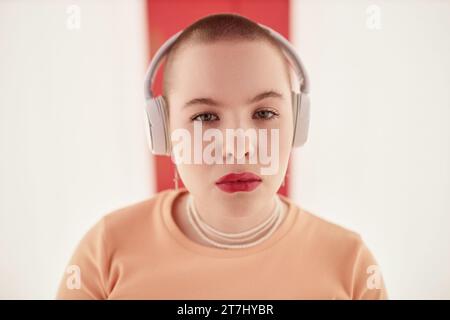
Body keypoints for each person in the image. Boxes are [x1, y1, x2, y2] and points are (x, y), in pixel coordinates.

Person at [56, 13, 388, 299]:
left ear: (298, 123)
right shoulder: (105, 251)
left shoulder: (351, 265)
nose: (237, 147)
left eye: (264, 113)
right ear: (163, 132)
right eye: (204, 117)